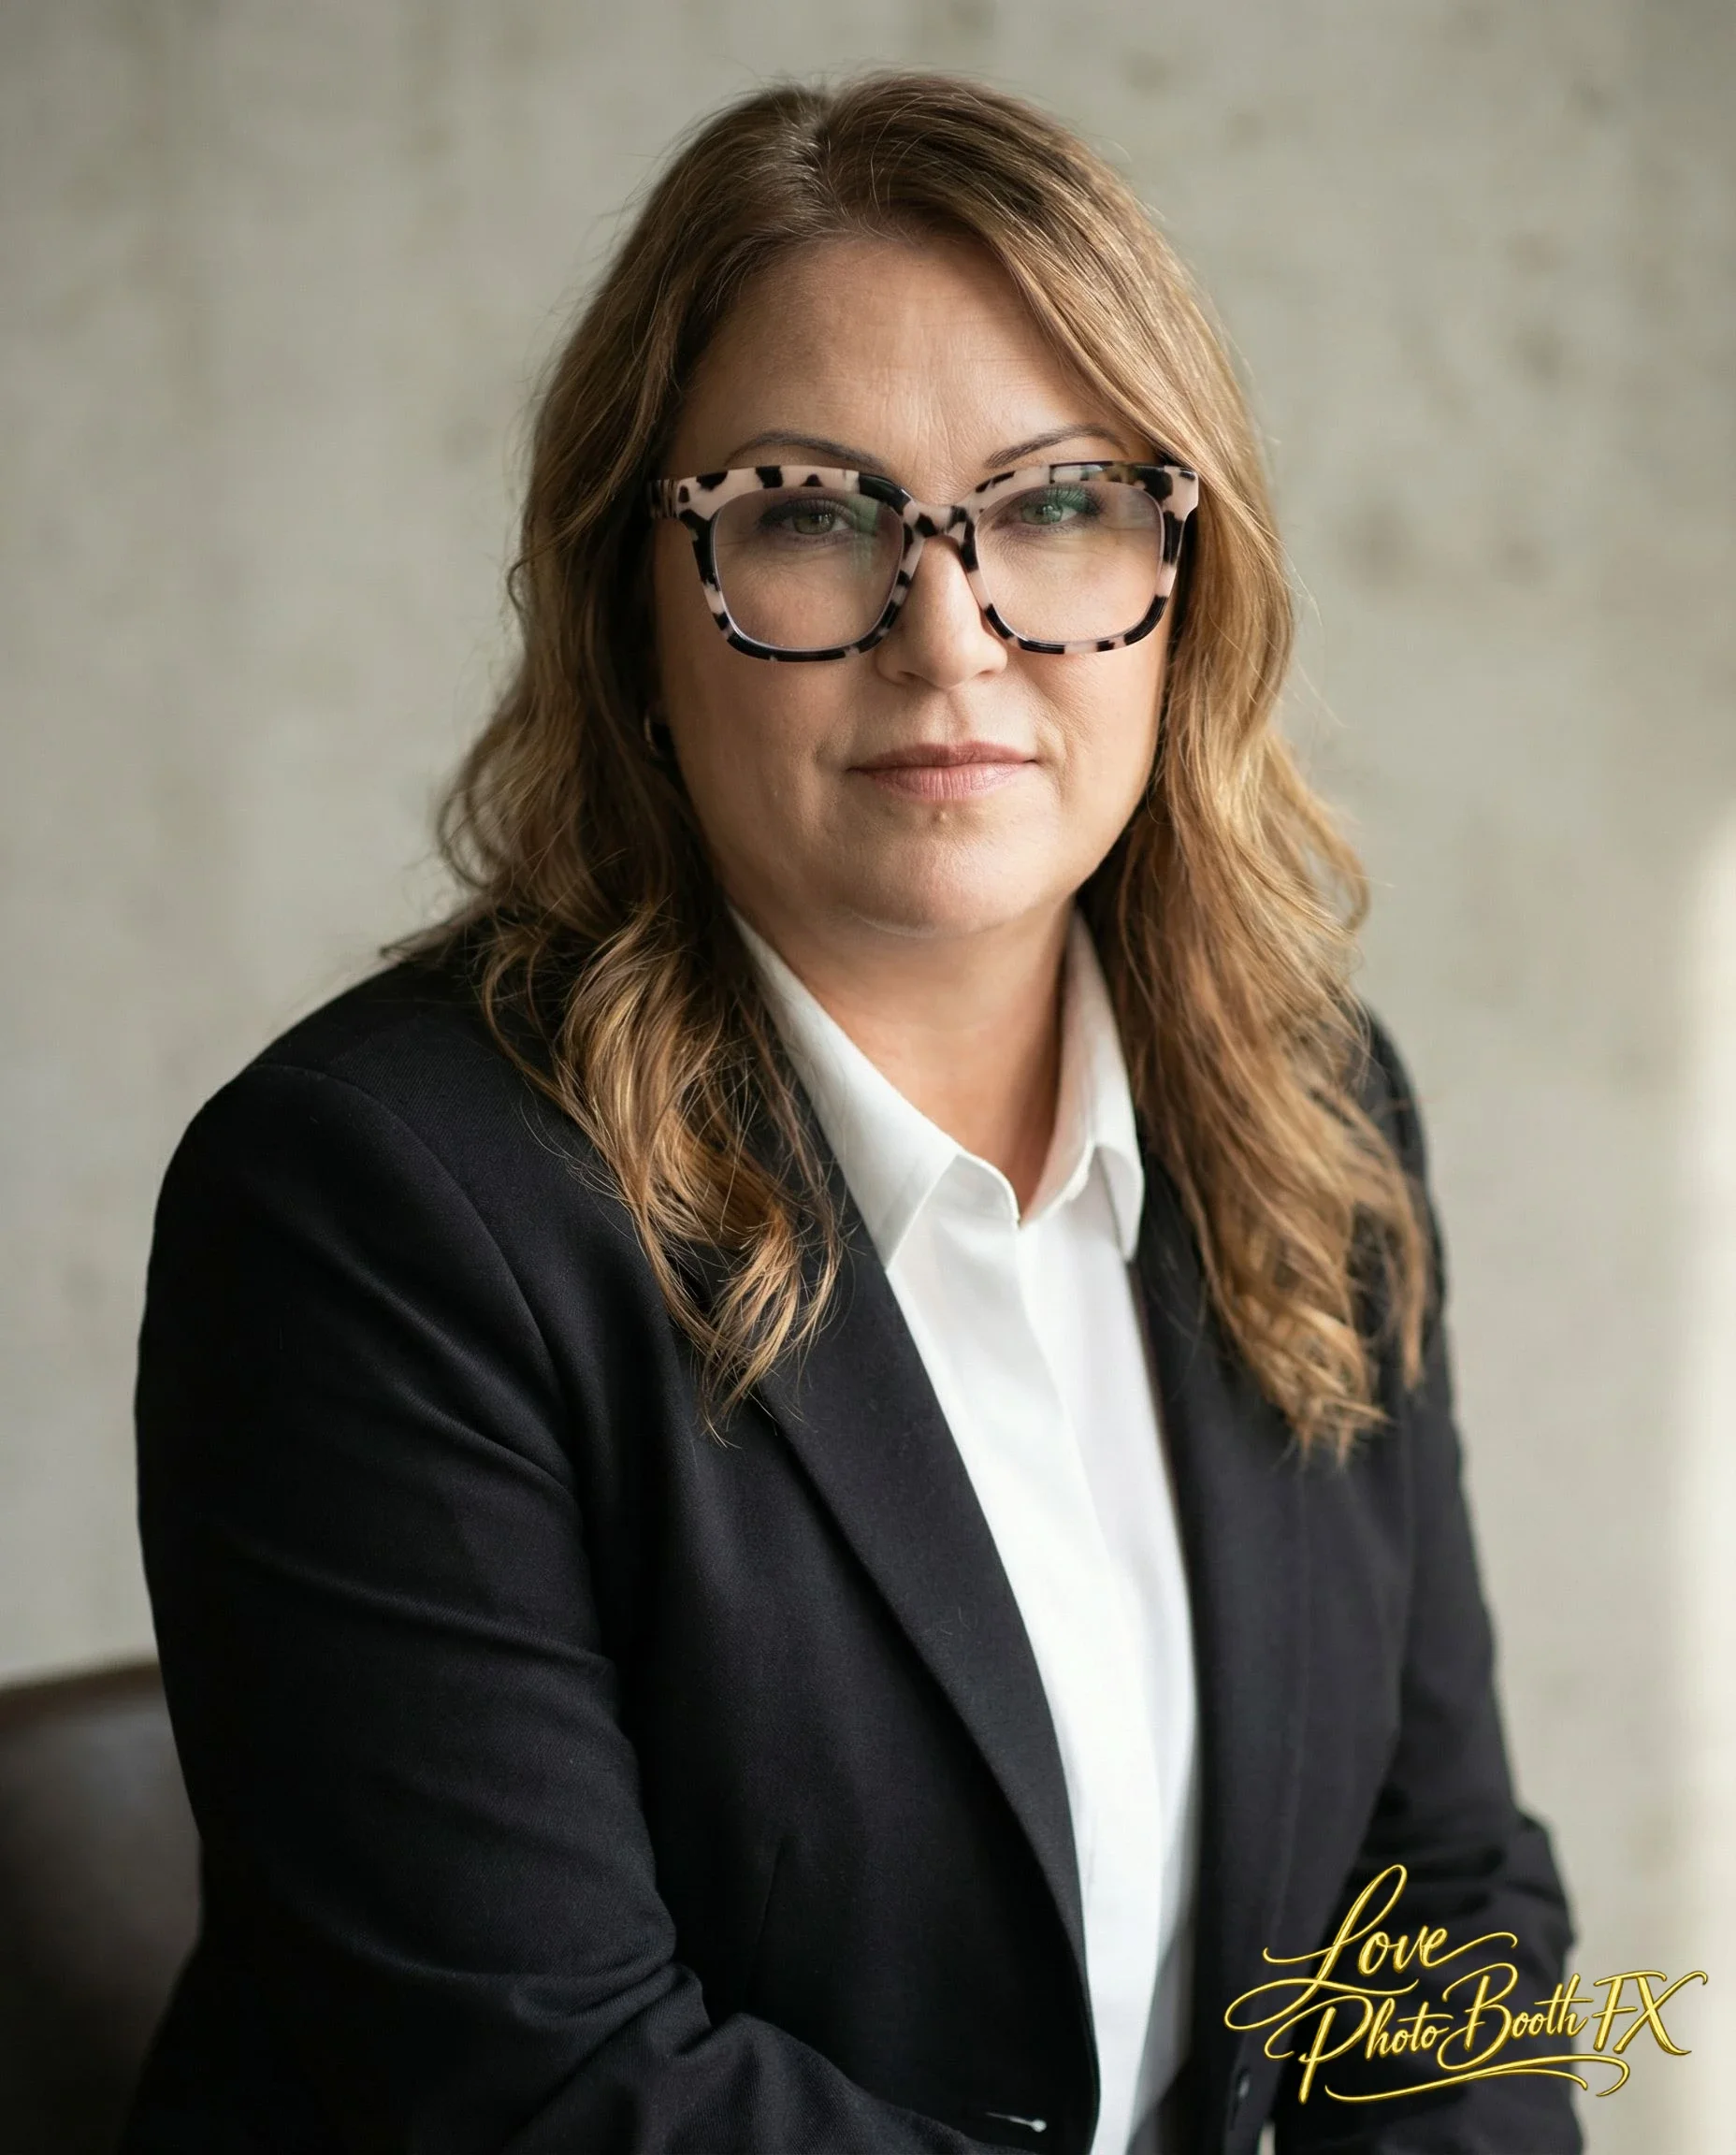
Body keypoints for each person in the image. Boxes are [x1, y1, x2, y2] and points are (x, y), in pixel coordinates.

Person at [122, 72, 1580, 2155]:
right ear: (637, 601)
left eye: (1060, 502)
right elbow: (552, 2093)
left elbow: (1432, 1921)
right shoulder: (377, 1210)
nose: (951, 631)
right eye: (809, 514)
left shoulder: (1305, 1112)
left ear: (1191, 584)